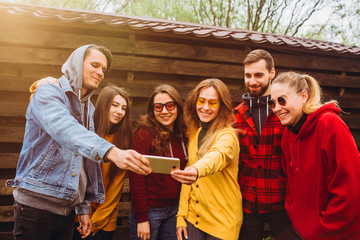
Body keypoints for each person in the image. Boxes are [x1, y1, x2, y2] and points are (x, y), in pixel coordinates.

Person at [11, 44, 151, 240]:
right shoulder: (49, 92)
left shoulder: (89, 110)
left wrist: (83, 207)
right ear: (76, 64)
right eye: (95, 65)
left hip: (67, 210)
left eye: (104, 69)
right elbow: (65, 128)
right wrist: (112, 151)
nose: (100, 72)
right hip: (37, 205)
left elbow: (83, 162)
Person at [269, 72, 360, 239]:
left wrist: (321, 227)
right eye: (272, 103)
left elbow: (352, 187)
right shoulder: (288, 134)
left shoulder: (330, 124)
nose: (276, 108)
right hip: (300, 231)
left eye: (281, 100)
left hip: (336, 233)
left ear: (303, 96)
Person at [234, 49, 300, 239]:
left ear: (272, 74)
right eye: (248, 75)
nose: (252, 81)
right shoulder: (237, 114)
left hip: (280, 199)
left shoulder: (285, 111)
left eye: (258, 75)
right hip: (247, 201)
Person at [172, 78, 242, 240]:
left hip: (222, 223)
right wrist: (181, 216)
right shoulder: (195, 133)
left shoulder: (227, 135)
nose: (205, 107)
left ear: (221, 106)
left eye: (212, 103)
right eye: (201, 101)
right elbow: (188, 181)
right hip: (193, 219)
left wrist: (196, 170)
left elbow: (217, 156)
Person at [71, 85, 132, 240]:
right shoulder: (86, 134)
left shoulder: (123, 141)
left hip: (105, 221)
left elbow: (115, 189)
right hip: (77, 217)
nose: (120, 112)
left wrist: (96, 223)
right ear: (104, 105)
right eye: (115, 105)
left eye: (124, 108)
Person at [129, 85, 188, 240]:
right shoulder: (144, 133)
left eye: (170, 105)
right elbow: (136, 177)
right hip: (150, 211)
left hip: (174, 211)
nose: (164, 111)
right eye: (158, 107)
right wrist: (142, 218)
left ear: (177, 107)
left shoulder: (183, 133)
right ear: (152, 109)